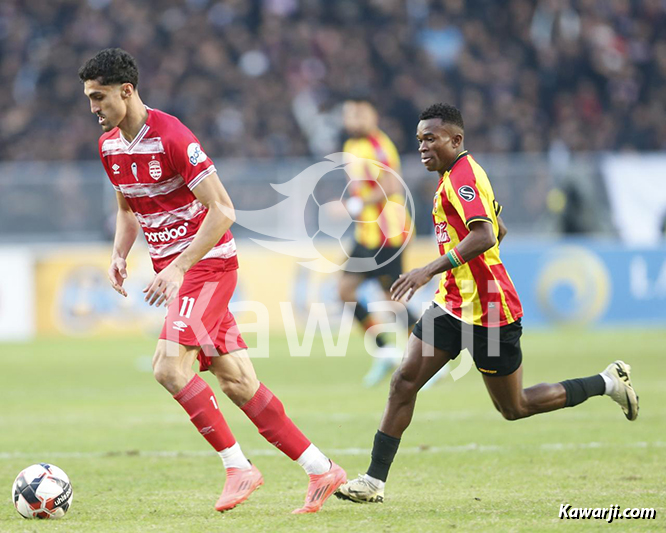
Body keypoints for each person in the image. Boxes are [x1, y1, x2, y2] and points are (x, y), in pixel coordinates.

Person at [79, 48, 345, 514]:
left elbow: (223, 210)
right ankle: (321, 469)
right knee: (238, 381)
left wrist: (179, 266)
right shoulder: (110, 148)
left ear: (126, 90)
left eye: (99, 97)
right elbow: (127, 210)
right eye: (88, 99)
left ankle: (238, 466)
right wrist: (119, 255)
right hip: (180, 275)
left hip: (208, 267)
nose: (93, 108)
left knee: (167, 367)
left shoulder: (173, 136)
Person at [336, 103, 639, 503]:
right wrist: (464, 274)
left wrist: (430, 269)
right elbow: (500, 226)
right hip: (451, 305)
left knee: (515, 406)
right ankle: (373, 481)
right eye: (420, 140)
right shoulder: (452, 177)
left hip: (491, 312)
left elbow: (485, 235)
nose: (423, 147)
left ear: (455, 140)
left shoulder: (463, 178)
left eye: (431, 139)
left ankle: (607, 383)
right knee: (404, 381)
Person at [340, 98, 421, 387]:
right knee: (345, 290)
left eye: (360, 112)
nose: (354, 118)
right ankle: (386, 349)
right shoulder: (351, 147)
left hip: (389, 232)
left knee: (393, 300)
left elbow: (391, 187)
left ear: (373, 114)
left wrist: (353, 206)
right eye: (349, 112)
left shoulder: (379, 146)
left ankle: (430, 360)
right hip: (367, 234)